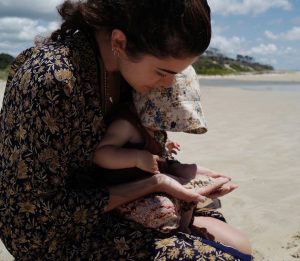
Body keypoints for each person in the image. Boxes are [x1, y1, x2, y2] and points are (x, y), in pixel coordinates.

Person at [0, 0, 252, 260]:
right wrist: (155, 183)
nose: (168, 84)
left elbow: (144, 145)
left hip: (118, 195)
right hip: (55, 235)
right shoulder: (50, 78)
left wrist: (175, 170)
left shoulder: (123, 68)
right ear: (119, 42)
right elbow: (31, 219)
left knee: (239, 245)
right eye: (163, 72)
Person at [93, 65, 236, 234]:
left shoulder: (151, 122)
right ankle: (185, 213)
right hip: (130, 184)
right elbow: (100, 154)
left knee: (189, 170)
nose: (165, 125)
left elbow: (154, 140)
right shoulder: (126, 124)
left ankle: (189, 217)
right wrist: (136, 157)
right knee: (171, 191)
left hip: (156, 172)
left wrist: (166, 143)